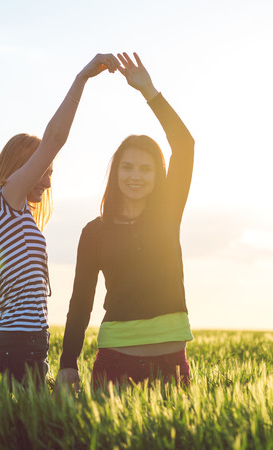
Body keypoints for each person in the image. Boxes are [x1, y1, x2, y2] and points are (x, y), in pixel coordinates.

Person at [0, 53, 121, 386]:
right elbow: (55, 139)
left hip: (24, 343)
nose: (46, 181)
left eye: (51, 173)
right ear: (18, 169)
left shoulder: (12, 212)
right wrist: (82, 78)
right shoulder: (7, 196)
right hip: (16, 344)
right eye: (41, 171)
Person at [56, 52, 195, 391]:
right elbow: (81, 301)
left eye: (146, 168)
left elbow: (185, 145)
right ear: (115, 172)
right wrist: (67, 363)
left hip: (171, 362)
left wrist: (149, 91)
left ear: (158, 175)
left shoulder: (168, 213)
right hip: (114, 363)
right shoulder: (94, 232)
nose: (136, 176)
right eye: (127, 167)